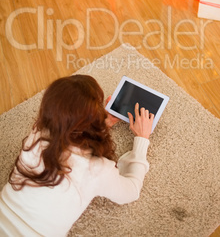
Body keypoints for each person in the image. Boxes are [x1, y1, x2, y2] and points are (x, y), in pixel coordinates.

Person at [0, 75, 154, 237]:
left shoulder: (37, 134)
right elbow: (131, 191)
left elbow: (69, 133)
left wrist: (101, 123)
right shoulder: (96, 168)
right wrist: (142, 138)